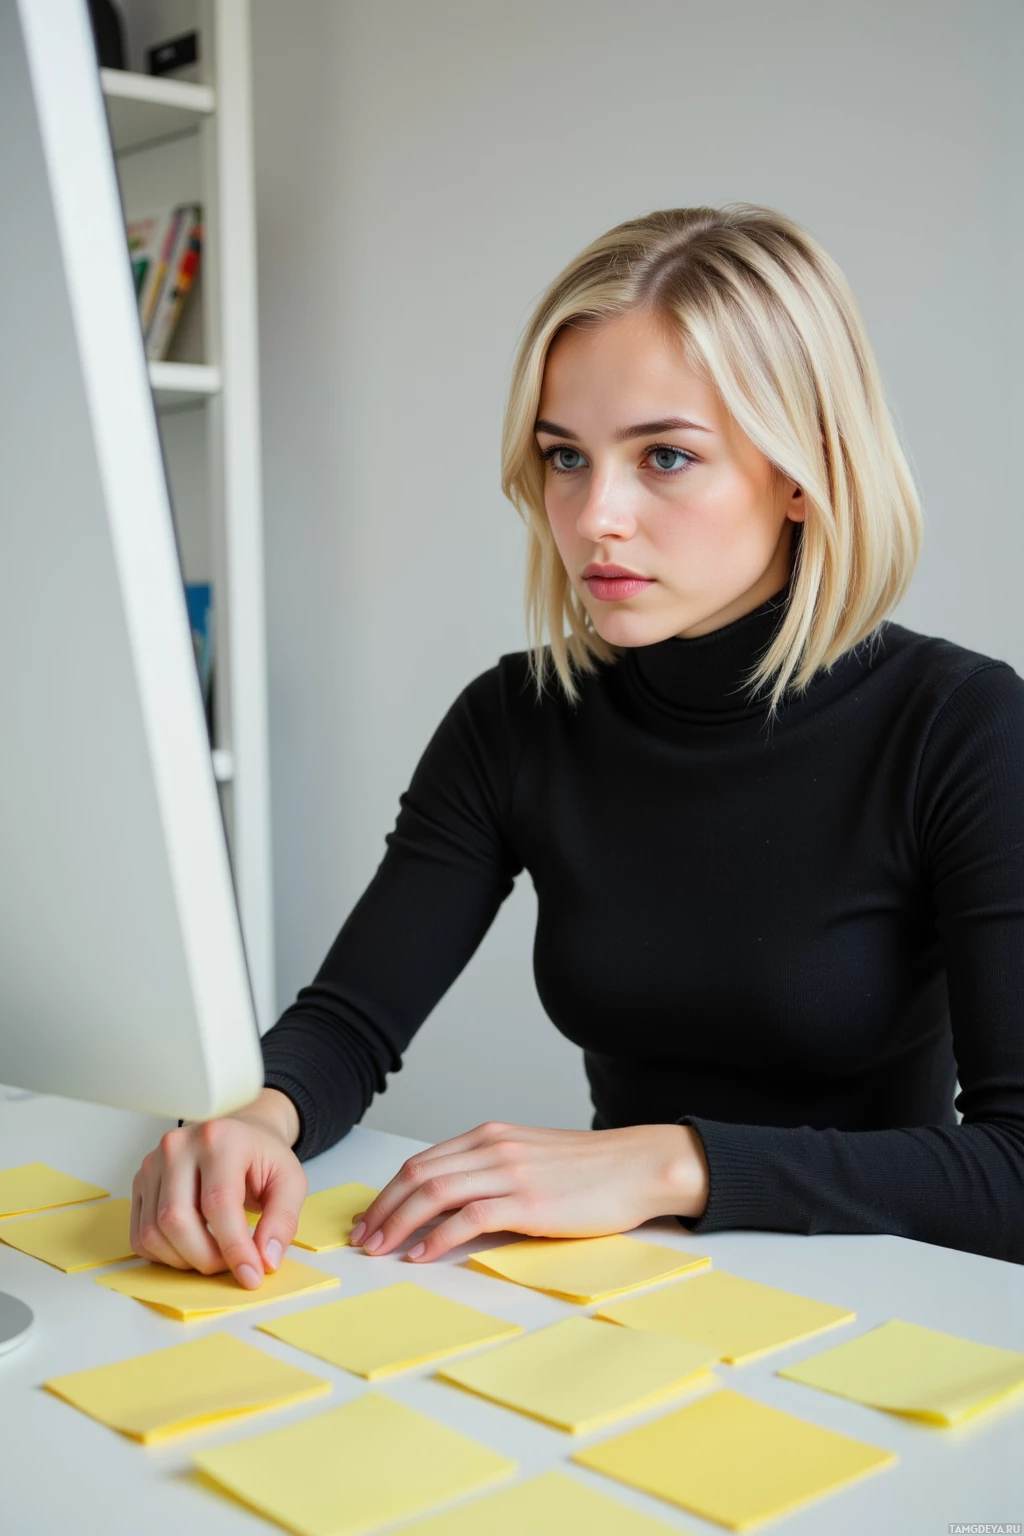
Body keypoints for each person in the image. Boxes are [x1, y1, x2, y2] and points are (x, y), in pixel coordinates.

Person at [130, 203, 1024, 1284]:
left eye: (665, 457)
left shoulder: (961, 725)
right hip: (612, 1290)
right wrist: (256, 1119)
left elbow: (1011, 1170)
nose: (595, 515)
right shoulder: (515, 719)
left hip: (895, 1307)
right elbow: (349, 1025)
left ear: (803, 471)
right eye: (565, 457)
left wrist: (668, 1165)